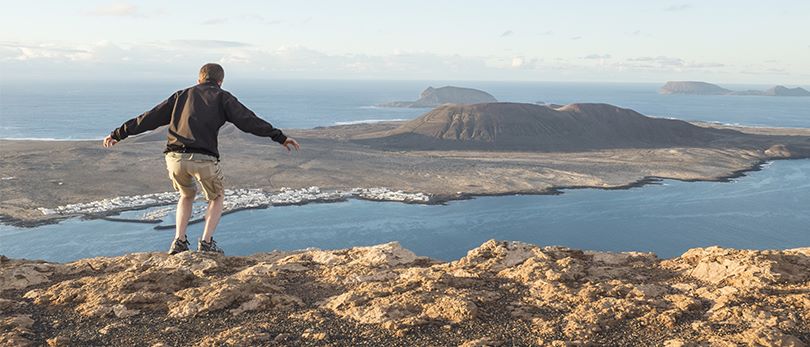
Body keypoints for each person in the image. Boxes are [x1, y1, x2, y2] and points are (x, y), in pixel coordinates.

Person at [102, 63, 300, 255]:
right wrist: (279, 136)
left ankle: (179, 241)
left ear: (199, 79)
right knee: (217, 197)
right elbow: (249, 121)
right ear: (220, 81)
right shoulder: (222, 97)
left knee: (186, 195)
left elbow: (148, 118)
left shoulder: (181, 96)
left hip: (174, 158)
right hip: (203, 158)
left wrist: (118, 134)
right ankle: (206, 243)